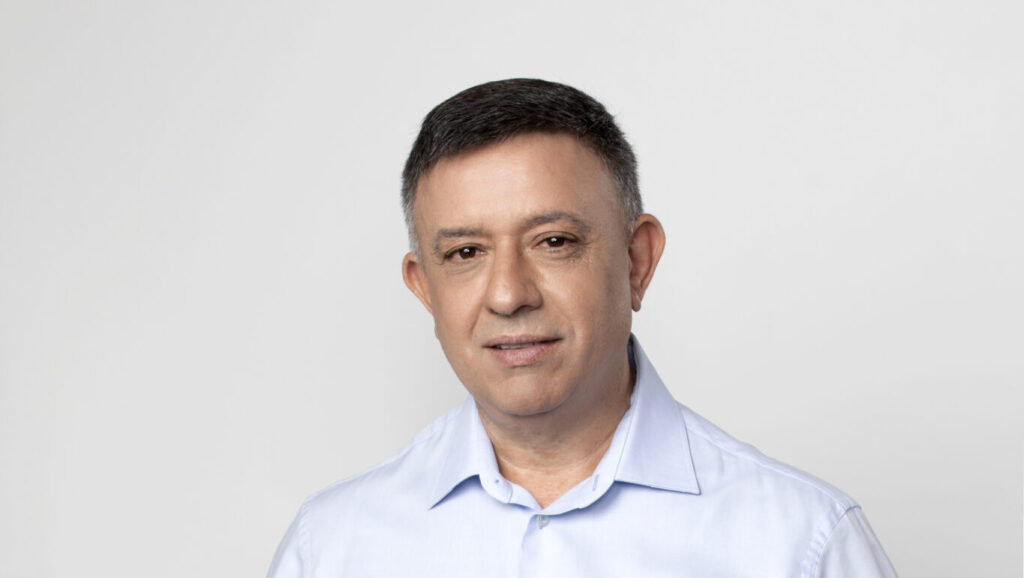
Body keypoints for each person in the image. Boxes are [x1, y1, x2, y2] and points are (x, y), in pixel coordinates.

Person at [267, 78, 897, 577]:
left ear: (637, 261)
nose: (509, 295)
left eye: (554, 241)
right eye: (466, 253)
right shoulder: (331, 549)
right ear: (424, 288)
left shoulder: (801, 543)